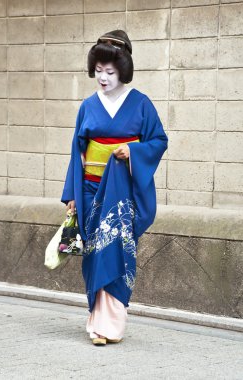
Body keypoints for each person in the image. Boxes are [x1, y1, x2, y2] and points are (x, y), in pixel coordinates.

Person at [60, 30, 168, 346]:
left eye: (110, 71)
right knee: (95, 252)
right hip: (92, 190)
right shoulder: (88, 106)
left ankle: (112, 326)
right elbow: (77, 152)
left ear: (123, 70)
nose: (103, 78)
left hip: (123, 194)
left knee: (118, 251)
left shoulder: (141, 105)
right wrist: (72, 196)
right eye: (98, 71)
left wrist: (132, 152)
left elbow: (159, 141)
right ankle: (97, 323)